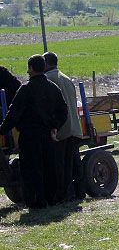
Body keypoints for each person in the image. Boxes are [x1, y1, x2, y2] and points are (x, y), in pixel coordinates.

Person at [0, 55, 67, 208]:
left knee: (31, 169)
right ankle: (51, 199)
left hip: (29, 136)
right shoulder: (53, 88)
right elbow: (63, 111)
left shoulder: (25, 89)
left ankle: (36, 201)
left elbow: (14, 113)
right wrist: (55, 127)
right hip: (48, 135)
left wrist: (2, 130)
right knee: (49, 167)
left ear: (31, 68)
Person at [43, 52, 85, 203]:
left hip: (61, 128)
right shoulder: (66, 79)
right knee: (73, 161)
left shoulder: (47, 80)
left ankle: (64, 194)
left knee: (60, 165)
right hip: (74, 126)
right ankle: (79, 192)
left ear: (46, 64)